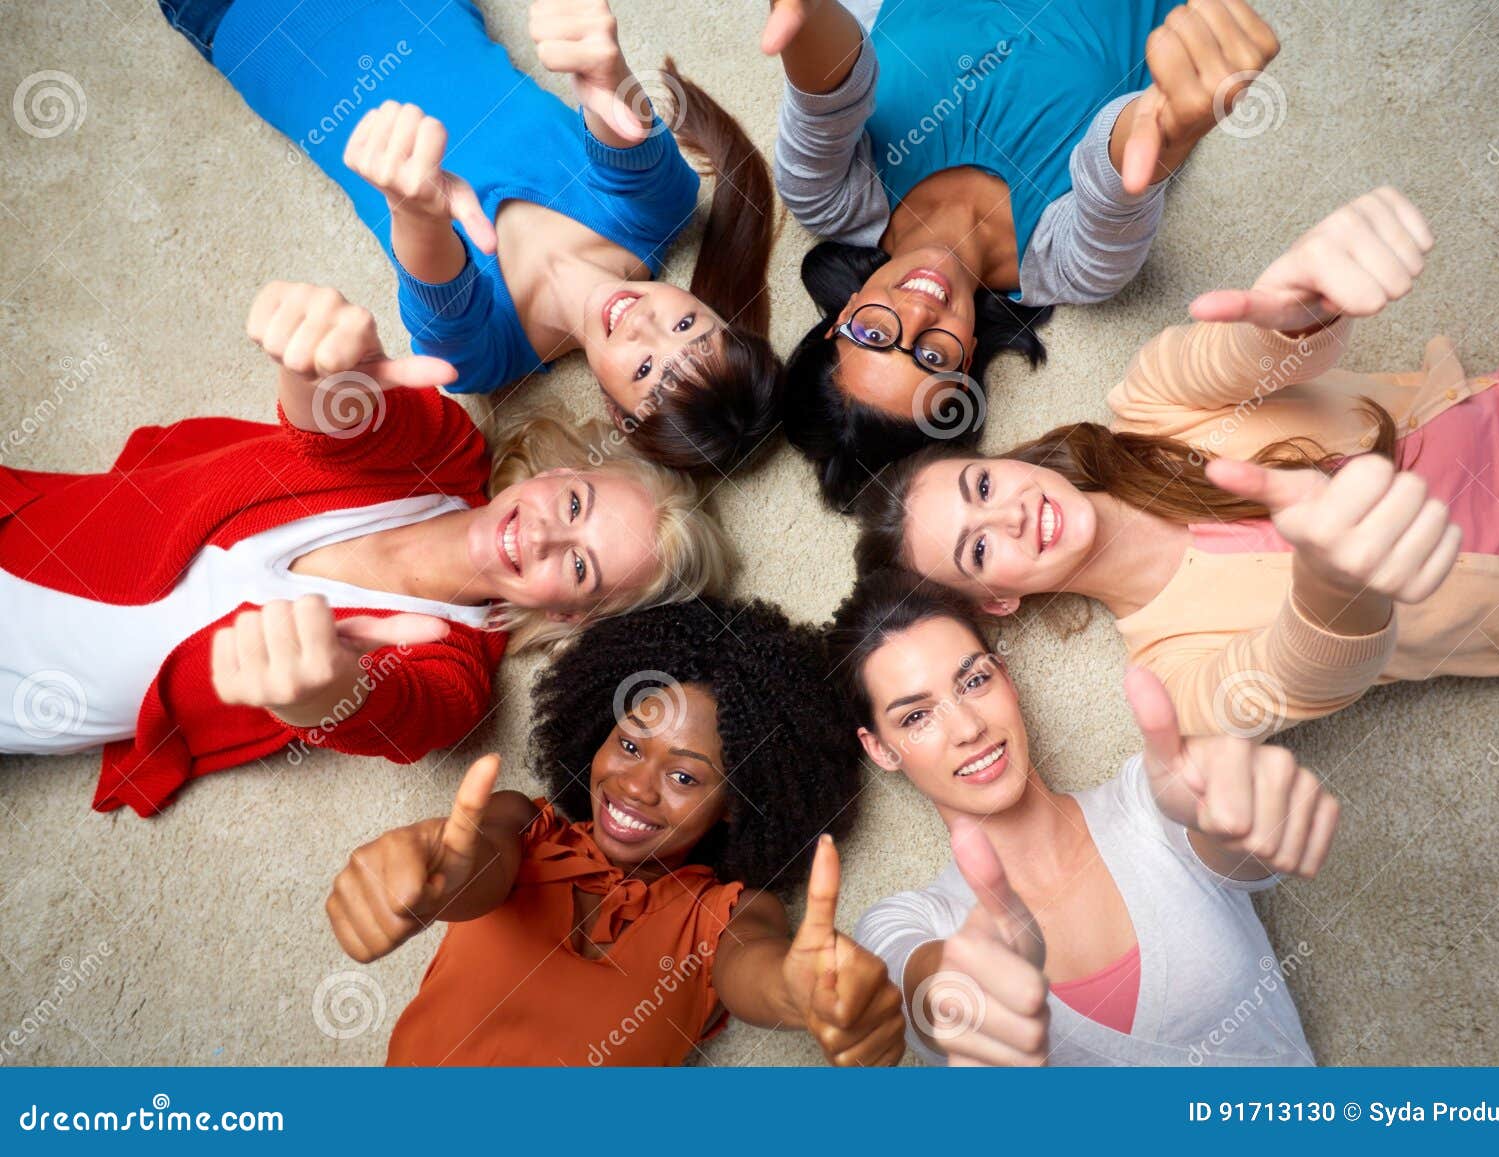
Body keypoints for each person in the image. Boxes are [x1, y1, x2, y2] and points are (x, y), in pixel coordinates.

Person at [853, 187, 1499, 736]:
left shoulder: (1149, 400)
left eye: (982, 485)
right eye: (978, 547)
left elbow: (1249, 353)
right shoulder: (1173, 679)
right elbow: (1302, 671)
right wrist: (1333, 580)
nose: (1009, 513)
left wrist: (1299, 303)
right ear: (997, 601)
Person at [0, 281, 730, 815]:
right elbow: (333, 419)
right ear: (561, 473)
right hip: (29, 528)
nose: (542, 532)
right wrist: (318, 360)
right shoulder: (442, 447)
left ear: (572, 616)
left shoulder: (453, 677)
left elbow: (391, 711)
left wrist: (323, 690)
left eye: (578, 564)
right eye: (574, 504)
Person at [159, 0, 782, 475]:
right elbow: (618, 125)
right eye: (687, 329)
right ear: (713, 311)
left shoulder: (483, 358)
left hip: (248, 24)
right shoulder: (663, 208)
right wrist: (605, 69)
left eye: (647, 369)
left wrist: (418, 213)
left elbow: (436, 287)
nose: (645, 326)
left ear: (616, 412)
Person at [327, 599, 906, 1067]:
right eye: (629, 744)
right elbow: (473, 865)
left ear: (737, 803)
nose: (636, 787)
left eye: (684, 775)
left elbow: (756, 968)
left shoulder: (726, 914)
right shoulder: (527, 827)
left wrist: (802, 992)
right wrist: (438, 877)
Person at [762, 0, 1281, 508]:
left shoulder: (828, 197)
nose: (918, 313)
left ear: (843, 315)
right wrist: (1170, 123)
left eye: (875, 335)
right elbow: (1117, 172)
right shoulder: (1074, 267)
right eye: (931, 357)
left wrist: (802, 9)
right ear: (965, 359)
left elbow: (828, 87)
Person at [830, 571, 1336, 1065]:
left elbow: (1229, 843)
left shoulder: (1149, 798)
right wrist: (962, 988)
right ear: (881, 749)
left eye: (975, 680)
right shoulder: (905, 922)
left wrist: (1247, 819)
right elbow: (920, 991)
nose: (967, 727)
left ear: (1007, 678)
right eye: (916, 717)